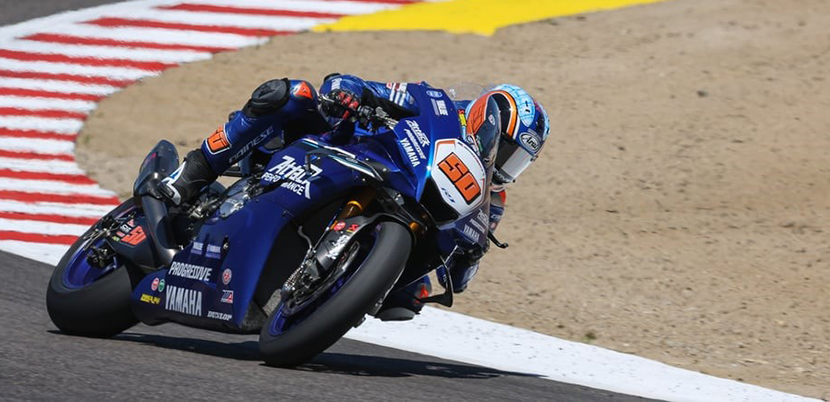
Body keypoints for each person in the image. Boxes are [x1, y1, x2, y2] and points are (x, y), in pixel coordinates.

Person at [152, 74, 549, 320]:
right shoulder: (441, 107)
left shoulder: (490, 201)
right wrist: (348, 91)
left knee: (412, 297)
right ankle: (191, 173)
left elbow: (460, 280)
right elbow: (367, 87)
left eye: (518, 161)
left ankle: (327, 287)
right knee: (290, 95)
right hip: (345, 152)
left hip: (400, 218)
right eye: (507, 149)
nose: (505, 165)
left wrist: (471, 255)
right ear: (487, 120)